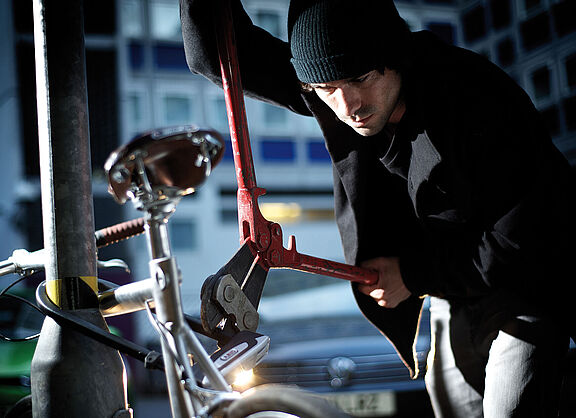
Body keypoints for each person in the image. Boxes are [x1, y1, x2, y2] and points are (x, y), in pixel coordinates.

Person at [180, 0, 576, 416]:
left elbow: (525, 242)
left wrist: (412, 274)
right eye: (326, 89)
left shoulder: (480, 103)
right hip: (452, 291)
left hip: (530, 284)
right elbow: (219, 53)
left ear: (394, 58)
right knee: (454, 407)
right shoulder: (330, 83)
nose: (349, 106)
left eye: (361, 79)